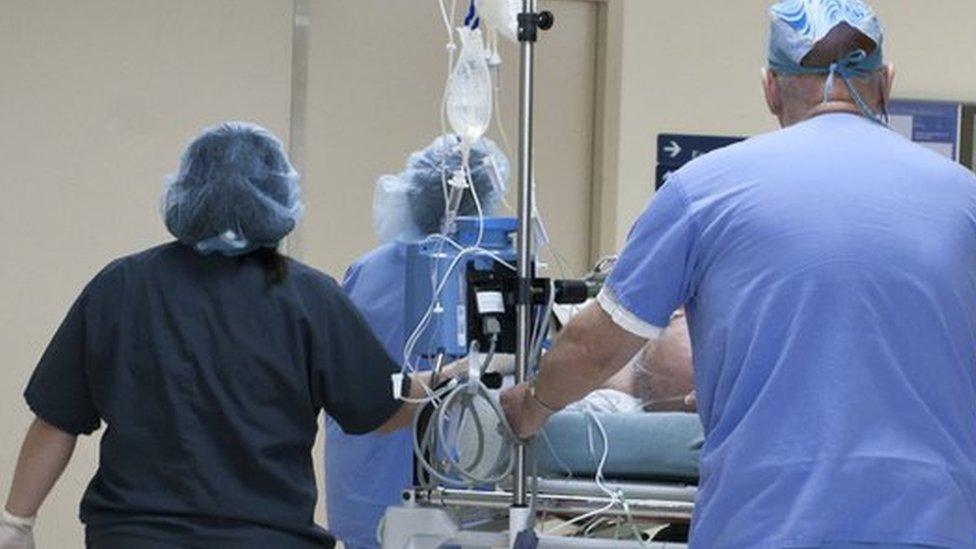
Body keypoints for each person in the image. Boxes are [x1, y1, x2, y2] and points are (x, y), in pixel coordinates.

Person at [502, 1, 976, 547]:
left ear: (770, 87)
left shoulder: (703, 191)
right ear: (886, 84)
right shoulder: (963, 199)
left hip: (766, 527)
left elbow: (594, 346)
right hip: (936, 528)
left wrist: (533, 406)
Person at [0, 122, 447, 549]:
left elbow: (57, 419)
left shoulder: (120, 286)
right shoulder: (309, 298)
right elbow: (384, 410)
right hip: (265, 537)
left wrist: (16, 523)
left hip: (134, 536)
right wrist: (461, 373)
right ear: (278, 201)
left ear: (185, 192)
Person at [325, 134, 509, 549]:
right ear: (486, 197)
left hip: (366, 501)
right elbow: (527, 370)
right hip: (460, 501)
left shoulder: (366, 270)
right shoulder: (494, 272)